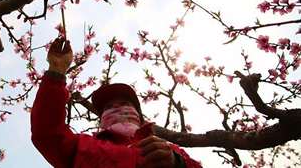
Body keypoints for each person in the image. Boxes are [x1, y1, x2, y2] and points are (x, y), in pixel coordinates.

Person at [31, 37, 203, 168]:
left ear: (138, 114)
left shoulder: (168, 149)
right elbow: (46, 132)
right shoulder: (82, 145)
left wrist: (177, 163)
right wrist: (57, 70)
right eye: (108, 106)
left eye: (123, 103)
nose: (115, 107)